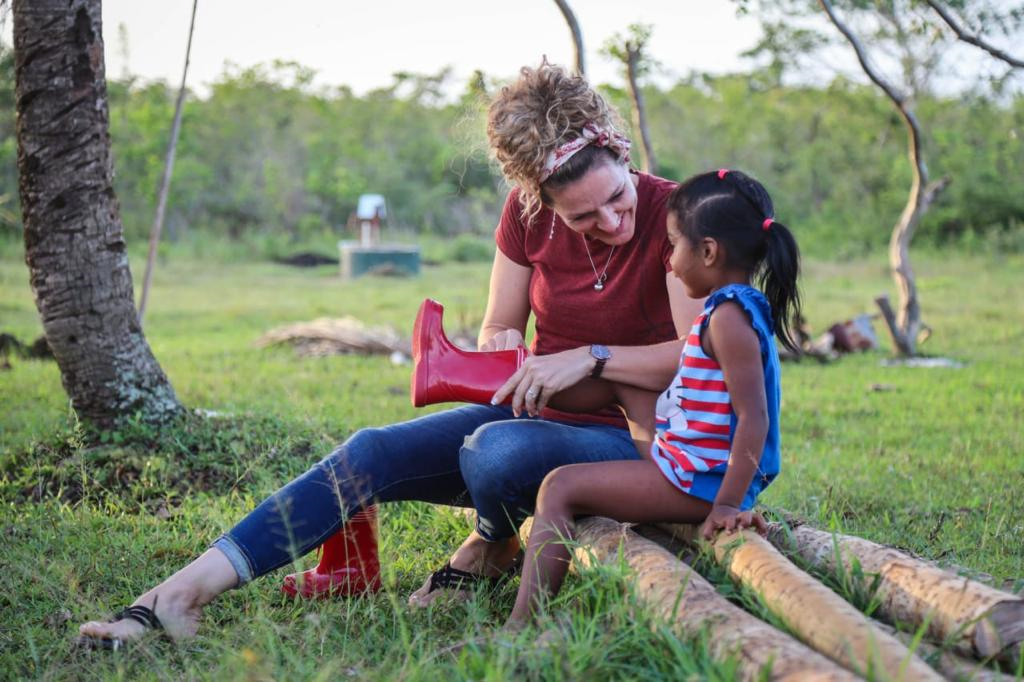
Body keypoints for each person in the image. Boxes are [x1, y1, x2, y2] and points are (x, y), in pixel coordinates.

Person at [76, 61, 703, 647]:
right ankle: (174, 596)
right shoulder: (524, 213)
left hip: (636, 440)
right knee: (371, 448)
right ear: (542, 198)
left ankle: (490, 541)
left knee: (496, 451)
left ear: (623, 157)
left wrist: (590, 357)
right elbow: (497, 326)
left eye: (616, 199)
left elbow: (693, 355)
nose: (612, 223)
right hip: (539, 412)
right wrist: (501, 344)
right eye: (583, 216)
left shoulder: (673, 214)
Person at [502, 168, 802, 630]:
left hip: (701, 482)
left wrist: (728, 505)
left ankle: (520, 628)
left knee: (559, 487)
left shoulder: (728, 320)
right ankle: (536, 402)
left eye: (673, 244)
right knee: (622, 380)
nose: (670, 259)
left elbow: (755, 419)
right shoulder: (732, 307)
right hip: (685, 456)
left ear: (708, 252)